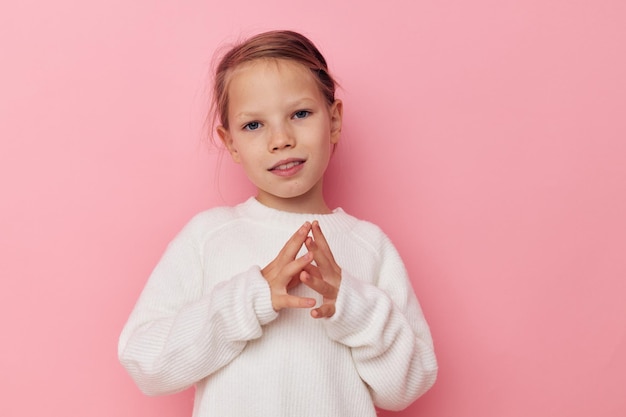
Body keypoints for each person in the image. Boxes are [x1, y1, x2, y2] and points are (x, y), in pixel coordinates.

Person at [118, 30, 437, 417]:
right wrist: (249, 299)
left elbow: (407, 387)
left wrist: (352, 306)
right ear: (231, 141)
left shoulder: (370, 245)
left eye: (300, 114)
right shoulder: (208, 237)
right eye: (254, 125)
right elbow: (145, 362)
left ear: (334, 121)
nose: (281, 139)